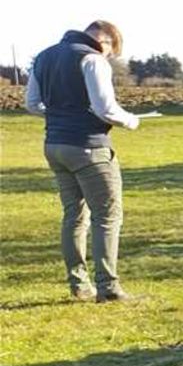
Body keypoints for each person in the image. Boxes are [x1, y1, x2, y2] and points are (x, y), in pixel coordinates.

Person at [24, 20, 144, 301]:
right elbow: (105, 109)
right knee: (107, 217)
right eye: (110, 53)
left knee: (74, 216)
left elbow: (32, 104)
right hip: (89, 147)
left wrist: (61, 115)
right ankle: (109, 287)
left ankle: (79, 285)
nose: (108, 59)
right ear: (106, 41)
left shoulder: (44, 56)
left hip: (54, 145)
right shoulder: (92, 58)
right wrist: (132, 121)